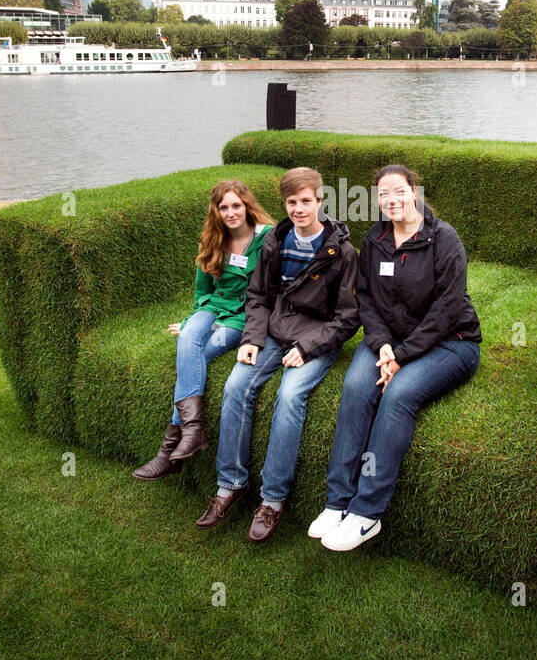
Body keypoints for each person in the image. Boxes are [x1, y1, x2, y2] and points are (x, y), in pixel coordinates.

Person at [310, 165, 481, 552]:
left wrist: (401, 357)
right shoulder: (376, 240)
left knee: (398, 396)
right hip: (391, 342)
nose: (392, 200)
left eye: (398, 192)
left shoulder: (443, 239)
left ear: (414, 190)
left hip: (451, 343)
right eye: (384, 195)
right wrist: (384, 345)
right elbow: (366, 299)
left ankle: (367, 514)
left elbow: (448, 309)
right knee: (356, 387)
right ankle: (338, 502)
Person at [197, 167, 359, 543]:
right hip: (273, 331)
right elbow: (257, 297)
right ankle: (230, 485)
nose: (299, 209)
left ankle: (272, 500)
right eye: (291, 202)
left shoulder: (343, 252)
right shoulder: (275, 241)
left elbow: (350, 316)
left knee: (289, 395)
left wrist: (308, 347)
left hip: (315, 339)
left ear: (320, 201)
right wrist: (252, 337)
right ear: (284, 204)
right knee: (237, 385)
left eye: (306, 201)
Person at [132, 180, 274, 481]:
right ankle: (193, 431)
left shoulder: (267, 238)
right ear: (216, 212)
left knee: (200, 354)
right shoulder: (213, 239)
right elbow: (202, 291)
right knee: (188, 338)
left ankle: (168, 449)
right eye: (224, 207)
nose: (231, 212)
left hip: (241, 316)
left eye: (236, 205)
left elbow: (269, 293)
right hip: (213, 306)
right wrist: (191, 321)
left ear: (247, 205)